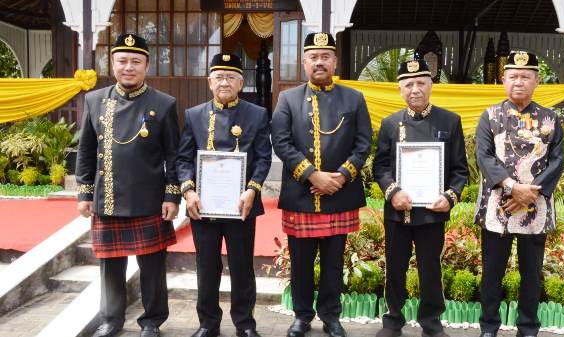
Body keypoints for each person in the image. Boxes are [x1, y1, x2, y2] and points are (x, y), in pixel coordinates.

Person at [76, 33, 181, 337]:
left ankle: (152, 321)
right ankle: (111, 319)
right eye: (122, 60)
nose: (128, 67)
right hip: (107, 197)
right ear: (112, 63)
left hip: (148, 199)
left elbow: (173, 154)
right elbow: (85, 150)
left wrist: (171, 196)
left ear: (146, 66)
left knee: (152, 268)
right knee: (110, 266)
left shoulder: (163, 104)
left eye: (136, 61)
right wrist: (84, 192)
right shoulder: (95, 100)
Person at [271, 32, 373, 337]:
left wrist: (341, 176)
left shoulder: (353, 98)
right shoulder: (287, 99)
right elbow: (281, 141)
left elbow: (363, 142)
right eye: (313, 57)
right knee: (300, 263)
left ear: (334, 61)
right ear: (304, 62)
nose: (319, 62)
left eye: (325, 56)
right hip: (301, 195)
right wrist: (312, 175)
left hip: (340, 196)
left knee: (332, 263)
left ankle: (331, 316)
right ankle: (302, 316)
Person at [176, 53, 272, 337]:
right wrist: (188, 190)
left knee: (242, 266)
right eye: (219, 76)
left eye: (231, 77)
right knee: (206, 266)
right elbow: (183, 159)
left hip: (241, 205)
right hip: (202, 207)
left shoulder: (257, 114)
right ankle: (208, 323)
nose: (224, 82)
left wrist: (252, 190)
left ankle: (245, 324)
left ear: (241, 83)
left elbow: (263, 159)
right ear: (209, 81)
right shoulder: (194, 115)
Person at [373, 58, 468, 337]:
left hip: (431, 212)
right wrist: (392, 192)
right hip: (397, 212)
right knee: (395, 269)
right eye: (408, 84)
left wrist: (450, 197)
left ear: (431, 85)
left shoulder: (450, 121)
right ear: (400, 89)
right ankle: (392, 321)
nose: (415, 89)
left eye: (420, 83)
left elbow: (460, 169)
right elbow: (380, 166)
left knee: (430, 270)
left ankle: (431, 322)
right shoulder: (390, 124)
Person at [475, 51, 564, 337]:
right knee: (492, 272)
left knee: (531, 274)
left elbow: (556, 160)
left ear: (537, 81)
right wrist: (513, 188)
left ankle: (527, 327)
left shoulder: (550, 118)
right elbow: (484, 156)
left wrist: (529, 194)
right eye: (513, 76)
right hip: (498, 206)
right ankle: (489, 326)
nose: (519, 82)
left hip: (534, 208)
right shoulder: (490, 116)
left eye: (526, 76)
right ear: (503, 80)